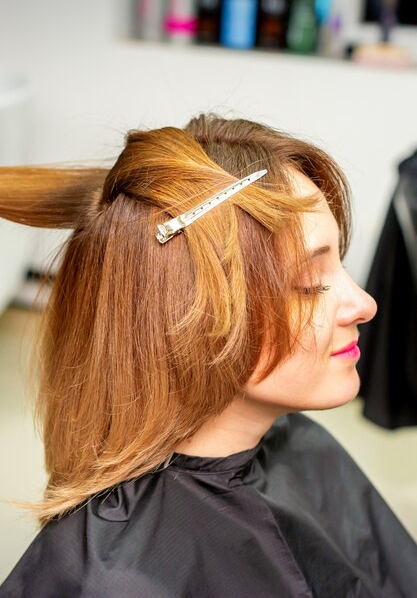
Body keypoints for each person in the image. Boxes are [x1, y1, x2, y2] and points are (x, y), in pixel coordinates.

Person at [0, 115, 416, 597]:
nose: (365, 304)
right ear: (193, 319)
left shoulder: (298, 445)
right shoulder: (113, 578)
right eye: (309, 284)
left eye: (340, 263)